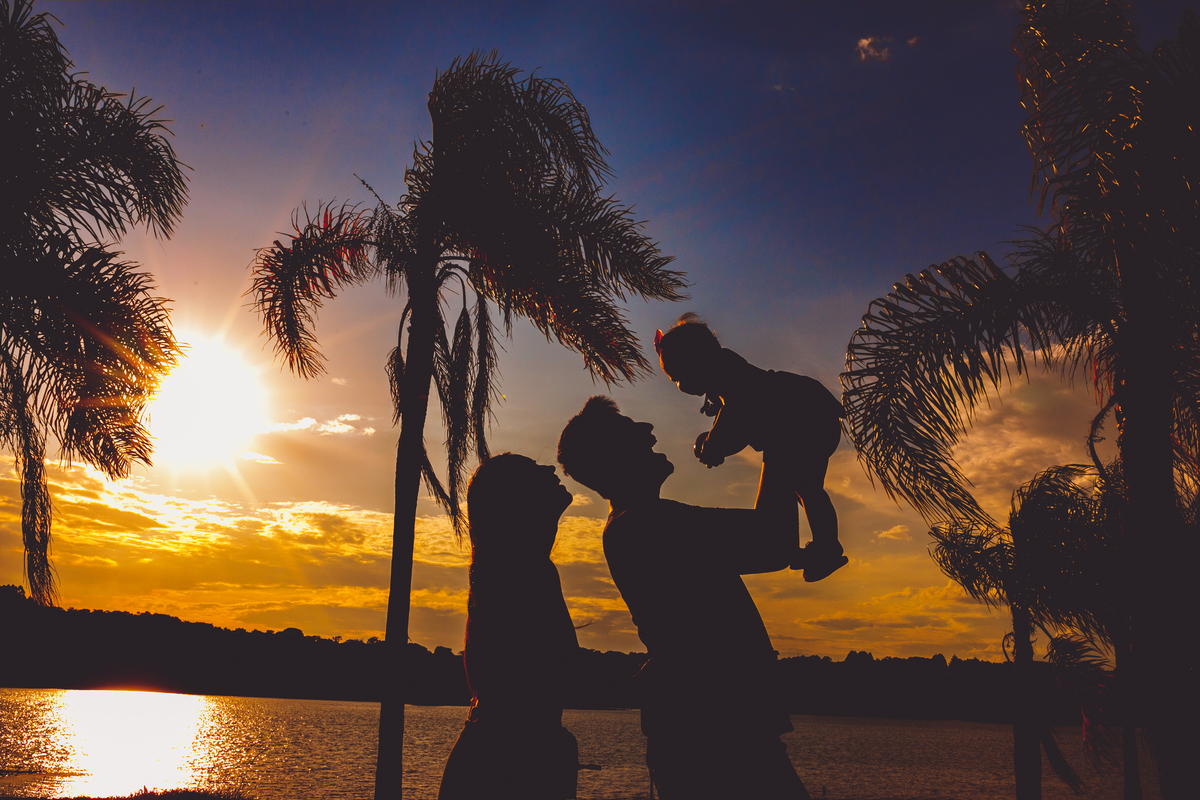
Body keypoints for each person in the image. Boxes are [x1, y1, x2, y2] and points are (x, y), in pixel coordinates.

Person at [557, 397, 813, 800]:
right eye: (631, 431)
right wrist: (778, 440)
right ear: (614, 458)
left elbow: (768, 543)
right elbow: (771, 542)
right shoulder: (647, 525)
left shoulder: (642, 524)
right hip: (718, 734)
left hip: (710, 728)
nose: (648, 430)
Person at [654, 314, 848, 582]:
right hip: (801, 421)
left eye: (679, 376)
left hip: (802, 417)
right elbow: (734, 421)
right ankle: (822, 546)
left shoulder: (728, 373)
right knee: (804, 487)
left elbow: (736, 418)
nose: (680, 386)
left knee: (805, 487)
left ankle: (825, 546)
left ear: (698, 360)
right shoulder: (724, 376)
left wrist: (713, 445)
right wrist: (715, 442)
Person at [437, 453, 582, 800]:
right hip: (507, 762)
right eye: (534, 471)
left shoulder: (523, 571)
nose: (549, 469)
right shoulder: (517, 577)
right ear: (517, 502)